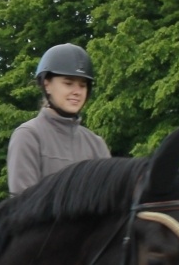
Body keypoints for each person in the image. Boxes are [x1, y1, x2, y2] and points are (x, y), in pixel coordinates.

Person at [6, 43, 109, 195]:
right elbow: (22, 204)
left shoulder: (96, 144)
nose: (77, 92)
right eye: (68, 83)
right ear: (47, 85)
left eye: (82, 85)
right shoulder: (28, 136)